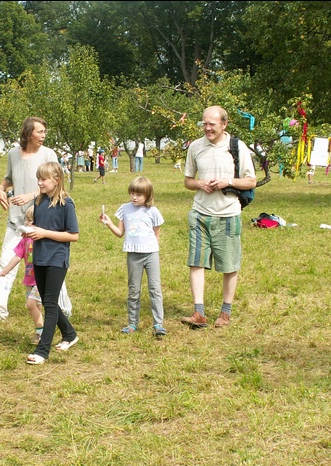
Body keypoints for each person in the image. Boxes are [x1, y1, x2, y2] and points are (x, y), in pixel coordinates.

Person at [0, 116, 73, 324]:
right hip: (16, 222)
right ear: (28, 133)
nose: (43, 135)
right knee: (5, 263)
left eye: (44, 132)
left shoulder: (49, 154)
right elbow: (10, 177)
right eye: (40, 132)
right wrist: (0, 188)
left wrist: (31, 195)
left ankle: (63, 309)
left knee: (50, 266)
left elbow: (57, 182)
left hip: (42, 222)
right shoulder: (13, 154)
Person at [181, 105, 256, 329]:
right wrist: (199, 183)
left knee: (229, 265)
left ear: (224, 124)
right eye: (204, 124)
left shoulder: (237, 147)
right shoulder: (195, 147)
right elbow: (188, 181)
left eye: (212, 124)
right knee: (196, 263)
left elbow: (251, 181)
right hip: (200, 214)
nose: (207, 128)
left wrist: (228, 182)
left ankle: (225, 312)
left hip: (228, 215)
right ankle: (199, 312)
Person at [25, 161, 79, 365]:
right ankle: (70, 334)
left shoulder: (67, 204)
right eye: (38, 179)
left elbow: (73, 235)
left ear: (57, 180)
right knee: (50, 302)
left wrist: (44, 233)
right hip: (39, 258)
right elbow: (39, 227)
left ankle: (43, 350)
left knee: (48, 304)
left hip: (56, 259)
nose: (39, 183)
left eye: (43, 179)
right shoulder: (39, 202)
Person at [99, 176, 166, 338]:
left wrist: (152, 249)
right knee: (133, 289)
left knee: (155, 289)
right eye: (132, 193)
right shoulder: (125, 209)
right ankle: (132, 322)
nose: (134, 197)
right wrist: (109, 223)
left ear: (148, 196)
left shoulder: (153, 211)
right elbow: (120, 233)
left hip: (151, 254)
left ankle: (158, 323)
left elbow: (156, 233)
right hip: (133, 255)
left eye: (139, 195)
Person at [0, 206, 43, 345]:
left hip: (41, 279)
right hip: (30, 279)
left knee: (30, 304)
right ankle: (39, 331)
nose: (28, 224)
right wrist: (5, 270)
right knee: (36, 306)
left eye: (32, 221)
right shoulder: (25, 240)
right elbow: (17, 256)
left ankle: (42, 330)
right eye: (27, 220)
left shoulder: (42, 240)